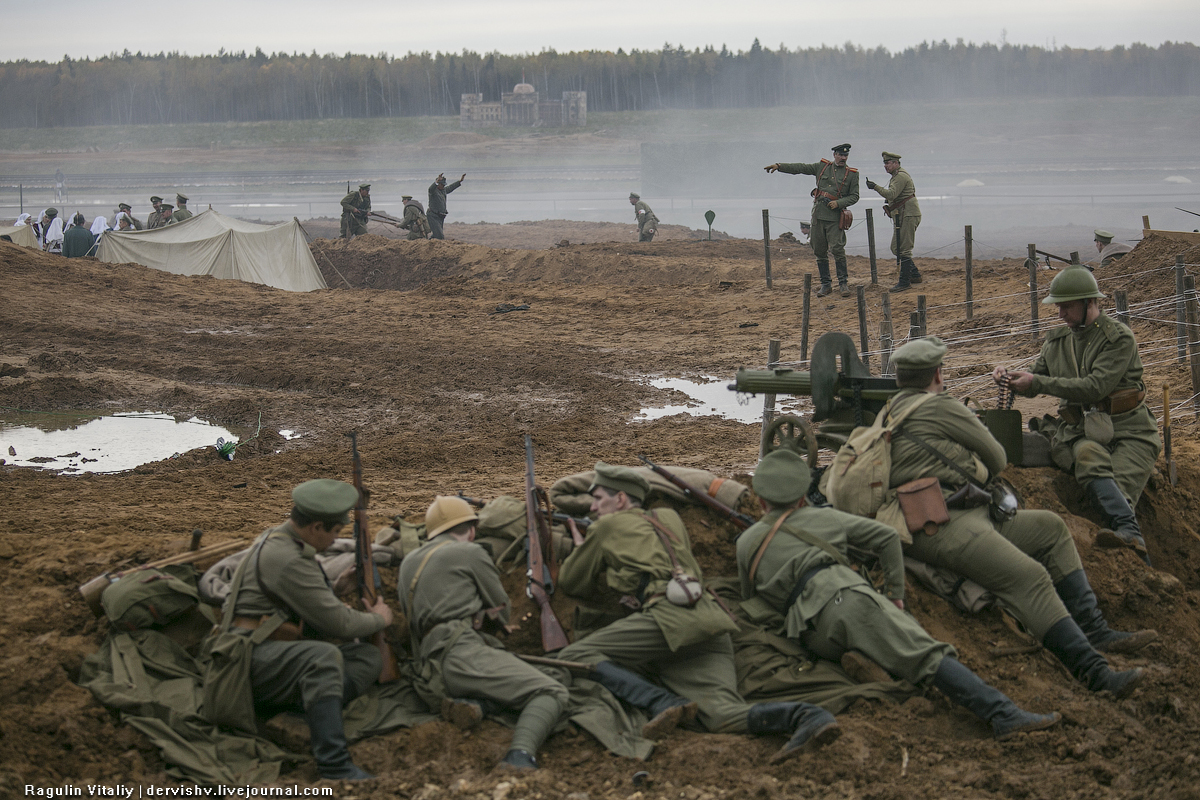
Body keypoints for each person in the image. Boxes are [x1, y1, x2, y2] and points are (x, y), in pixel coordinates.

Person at [883, 336, 1153, 700]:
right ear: (937, 374)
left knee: (1051, 528)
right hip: (943, 524)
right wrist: (973, 465)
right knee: (1030, 577)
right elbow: (997, 457)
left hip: (957, 514)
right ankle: (1094, 672)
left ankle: (1095, 629)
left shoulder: (889, 410)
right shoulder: (942, 407)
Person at [740, 449, 1060, 740]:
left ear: (760, 500)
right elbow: (888, 537)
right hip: (848, 602)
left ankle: (873, 665)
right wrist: (894, 595)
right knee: (928, 653)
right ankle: (1003, 715)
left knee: (882, 644)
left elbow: (752, 597)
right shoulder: (824, 517)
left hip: (809, 633)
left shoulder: (746, 543)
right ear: (800, 498)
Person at [555, 462, 841, 763]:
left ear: (622, 500)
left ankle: (661, 701)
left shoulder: (606, 526)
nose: (594, 508)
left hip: (667, 619)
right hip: (709, 617)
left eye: (599, 499)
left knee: (573, 657)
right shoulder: (668, 517)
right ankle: (806, 716)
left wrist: (581, 547)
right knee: (721, 716)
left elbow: (572, 582)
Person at [219, 479, 390, 780]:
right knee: (322, 657)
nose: (336, 538)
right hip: (244, 662)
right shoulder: (288, 558)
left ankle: (299, 715)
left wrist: (335, 589)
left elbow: (302, 599)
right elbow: (338, 623)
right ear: (315, 528)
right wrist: (380, 619)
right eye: (335, 532)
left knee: (365, 658)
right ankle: (334, 764)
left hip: (265, 651)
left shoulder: (282, 540)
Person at [993, 268, 1160, 566]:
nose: (1060, 314)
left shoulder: (1118, 339)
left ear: (1089, 303)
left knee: (1121, 489)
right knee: (1086, 457)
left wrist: (1037, 382)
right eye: (1058, 306)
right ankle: (1128, 535)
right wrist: (1011, 378)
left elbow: (1095, 387)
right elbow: (1038, 379)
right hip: (1083, 431)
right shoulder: (1057, 341)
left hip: (1130, 430)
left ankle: (1132, 541)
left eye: (1066, 306)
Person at [397, 496, 569, 772]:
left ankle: (479, 706)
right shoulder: (470, 552)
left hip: (427, 666)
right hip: (461, 654)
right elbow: (500, 607)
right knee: (552, 691)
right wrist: (496, 623)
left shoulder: (408, 562)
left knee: (551, 673)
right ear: (472, 529)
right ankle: (520, 756)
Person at [765, 143, 860, 298]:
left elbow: (855, 196)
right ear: (834, 155)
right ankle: (826, 284)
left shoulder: (852, 174)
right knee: (819, 250)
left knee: (837, 249)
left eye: (846, 155)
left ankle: (843, 284)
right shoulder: (822, 167)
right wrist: (779, 166)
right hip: (818, 216)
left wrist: (839, 203)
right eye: (840, 155)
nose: (843, 158)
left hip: (835, 218)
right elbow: (801, 168)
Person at [866, 152, 923, 292]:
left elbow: (891, 194)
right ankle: (914, 275)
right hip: (903, 215)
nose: (885, 166)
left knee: (904, 249)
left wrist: (875, 187)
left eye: (888, 163)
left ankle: (904, 282)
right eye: (885, 163)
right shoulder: (897, 176)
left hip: (908, 215)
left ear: (896, 163)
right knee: (896, 248)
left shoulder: (900, 177)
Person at [427, 173, 464, 240]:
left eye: (444, 185)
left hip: (440, 216)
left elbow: (450, 188)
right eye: (442, 185)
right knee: (439, 235)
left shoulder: (443, 190)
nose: (443, 186)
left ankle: (428, 243)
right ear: (438, 184)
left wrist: (459, 181)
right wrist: (437, 181)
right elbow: (430, 189)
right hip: (433, 216)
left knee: (437, 234)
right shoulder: (433, 191)